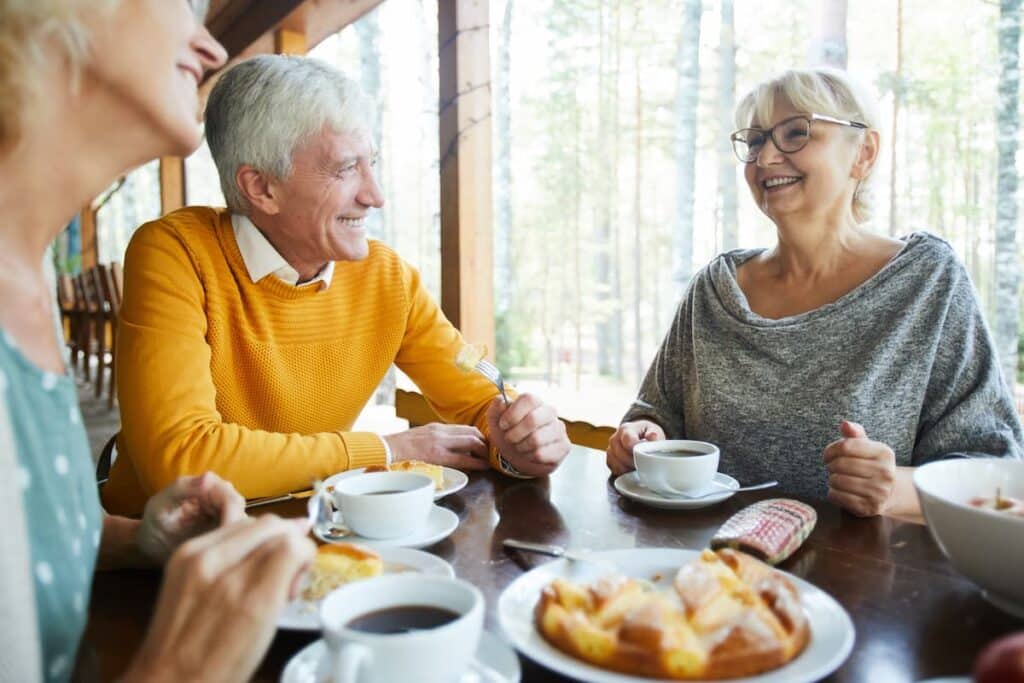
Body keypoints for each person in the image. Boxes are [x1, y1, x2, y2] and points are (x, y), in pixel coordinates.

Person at [101, 54, 571, 515]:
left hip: (304, 541)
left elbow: (482, 407)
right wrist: (382, 450)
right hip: (155, 561)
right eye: (347, 169)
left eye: (372, 163)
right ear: (262, 188)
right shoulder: (175, 254)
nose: (375, 195)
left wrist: (520, 444)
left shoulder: (387, 279)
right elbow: (181, 461)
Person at [0, 1, 315, 680]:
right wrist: (180, 670)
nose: (209, 49)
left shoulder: (24, 286)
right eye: (180, 4)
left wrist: (135, 541)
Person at [606, 66, 1023, 518]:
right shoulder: (714, 290)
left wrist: (894, 490)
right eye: (755, 141)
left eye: (795, 133)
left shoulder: (928, 282)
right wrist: (640, 439)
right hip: (710, 574)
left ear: (863, 152)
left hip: (862, 581)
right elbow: (654, 417)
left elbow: (994, 469)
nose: (765, 159)